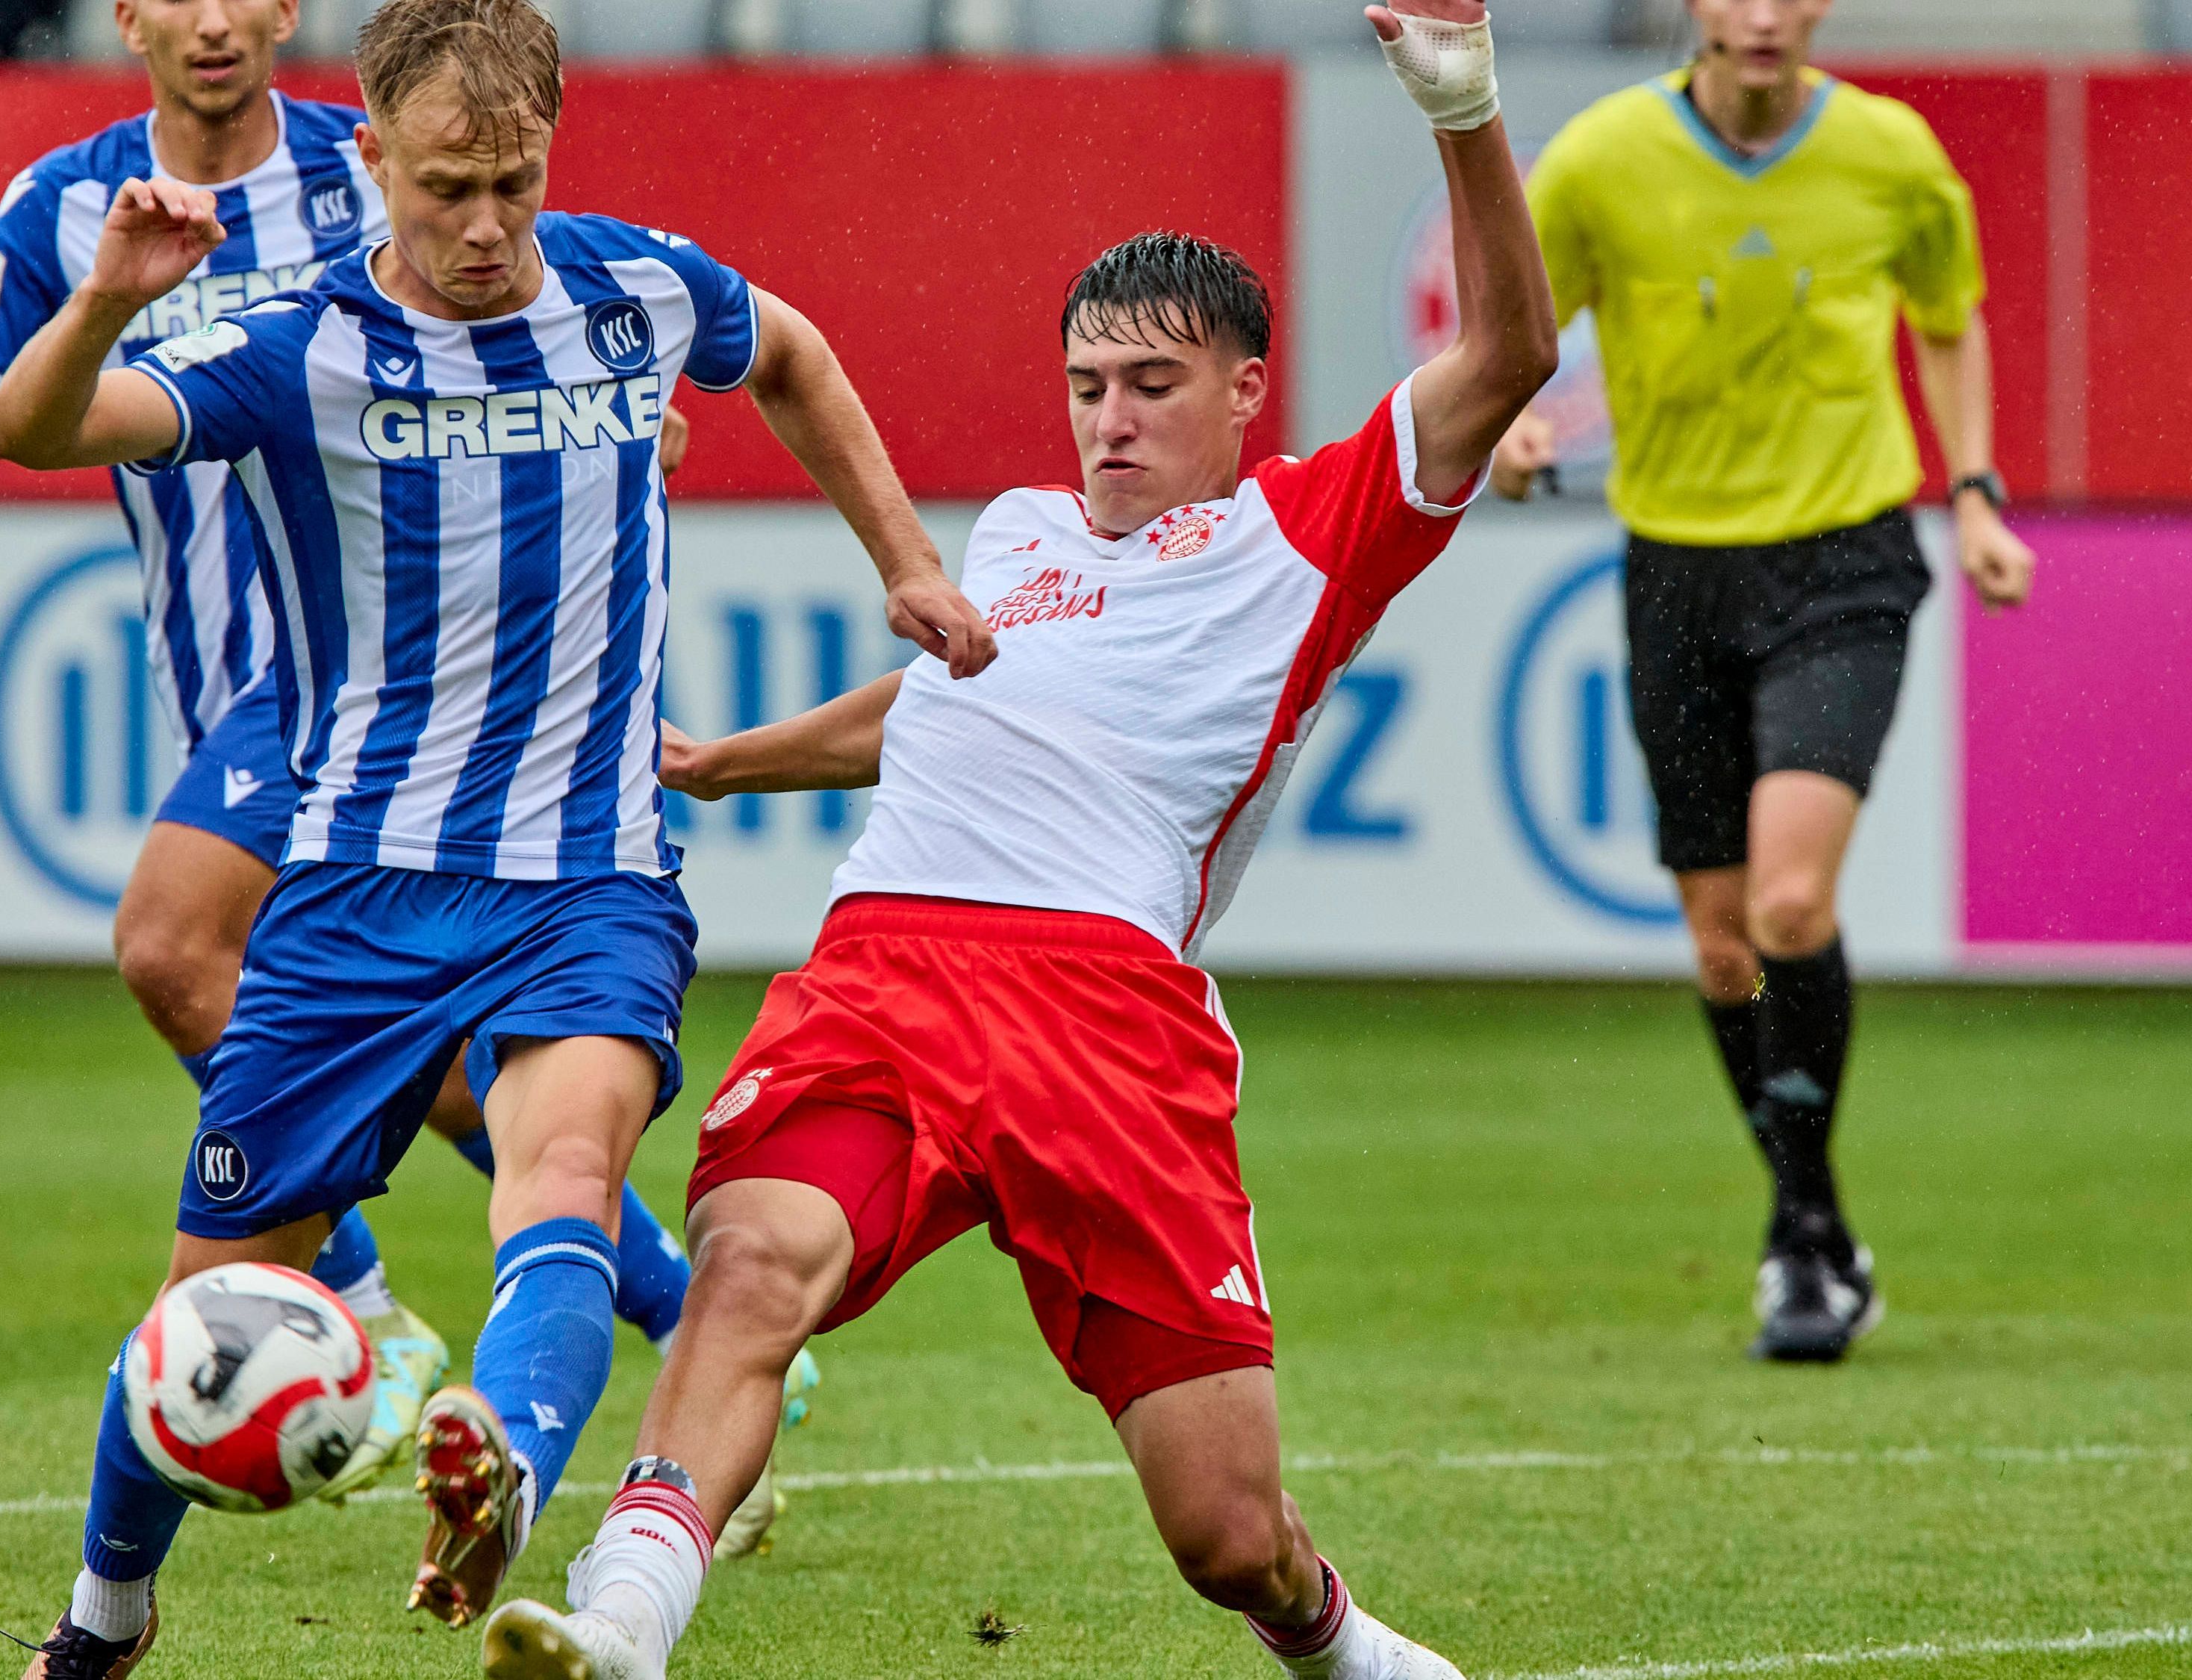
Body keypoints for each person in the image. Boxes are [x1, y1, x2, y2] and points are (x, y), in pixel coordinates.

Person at [485, 6, 1553, 1678]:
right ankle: (624, 1623)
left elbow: (1505, 356)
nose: (1106, 420)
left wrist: (1460, 103)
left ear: (1242, 390)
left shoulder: (1308, 533)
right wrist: (725, 767)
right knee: (751, 1257)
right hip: (886, 967)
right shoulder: (1022, 531)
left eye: (1149, 385)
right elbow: (949, 704)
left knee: (1224, 1534)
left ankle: (1332, 1641)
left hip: (1107, 1018)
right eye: (1084, 386)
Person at [0, 0, 995, 1670]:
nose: (480, 226)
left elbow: (793, 355)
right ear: (371, 158)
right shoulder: (296, 348)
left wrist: (904, 561)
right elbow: (31, 431)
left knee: (569, 1178)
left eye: (510, 184)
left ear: (551, 153)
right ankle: (104, 1619)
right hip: (353, 893)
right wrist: (103, 299)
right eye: (444, 186)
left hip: (587, 880)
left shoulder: (634, 292)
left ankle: (503, 1471)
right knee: (200, 1307)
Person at [0, 0, 701, 1512]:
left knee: (164, 940)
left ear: (288, 16)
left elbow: (562, 326)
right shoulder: (63, 203)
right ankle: (654, 1294)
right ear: (127, 17)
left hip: (350, 675)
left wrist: (610, 417)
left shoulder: (392, 165)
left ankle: (374, 1314)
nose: (213, 19)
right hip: (214, 675)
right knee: (437, 1048)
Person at [1497, 0, 2035, 1361]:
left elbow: (1950, 320)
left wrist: (1970, 491)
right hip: (1675, 568)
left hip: (1845, 559)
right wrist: (1509, 422)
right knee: (1725, 938)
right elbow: (1510, 333)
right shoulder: (1599, 161)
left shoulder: (1894, 156)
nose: (1759, 16)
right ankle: (1819, 1220)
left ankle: (1798, 1245)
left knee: (1794, 897)